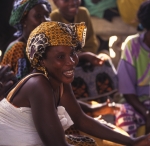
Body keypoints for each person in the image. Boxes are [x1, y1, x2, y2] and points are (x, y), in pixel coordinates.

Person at [0, 21, 150, 145]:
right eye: (60, 57)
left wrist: (132, 141)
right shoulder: (38, 84)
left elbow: (80, 119)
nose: (71, 62)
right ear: (41, 60)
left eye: (72, 53)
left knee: (87, 142)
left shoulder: (57, 79)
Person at [50, 0, 118, 103]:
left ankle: (105, 101)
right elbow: (57, 54)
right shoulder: (53, 19)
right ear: (55, 1)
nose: (72, 3)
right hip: (66, 66)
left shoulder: (83, 13)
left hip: (85, 61)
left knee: (105, 61)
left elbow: (91, 42)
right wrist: (82, 56)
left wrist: (88, 56)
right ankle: (80, 105)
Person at [116, 0, 150, 137]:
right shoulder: (132, 46)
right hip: (136, 104)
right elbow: (127, 92)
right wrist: (147, 113)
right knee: (125, 118)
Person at [1, 0, 51, 80]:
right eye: (38, 16)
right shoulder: (18, 48)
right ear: (24, 21)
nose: (45, 20)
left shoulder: (41, 45)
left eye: (47, 15)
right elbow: (22, 85)